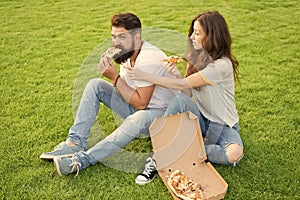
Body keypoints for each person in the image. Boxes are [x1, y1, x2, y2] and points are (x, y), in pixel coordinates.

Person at [40, 12, 178, 176]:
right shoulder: (126, 53)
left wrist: (114, 77)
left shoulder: (149, 58)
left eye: (121, 37)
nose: (115, 43)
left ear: (136, 38)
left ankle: (81, 160)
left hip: (161, 118)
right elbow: (131, 93)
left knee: (137, 117)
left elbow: (141, 103)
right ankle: (74, 142)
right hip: (139, 109)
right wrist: (112, 71)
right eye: (113, 37)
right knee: (95, 85)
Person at [128, 11, 244, 185]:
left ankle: (181, 150)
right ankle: (158, 157)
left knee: (234, 155)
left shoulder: (222, 65)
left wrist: (144, 75)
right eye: (192, 32)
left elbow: (183, 85)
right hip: (201, 120)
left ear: (212, 36)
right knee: (179, 101)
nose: (191, 37)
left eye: (197, 33)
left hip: (223, 125)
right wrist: (176, 74)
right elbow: (188, 92)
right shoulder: (197, 58)